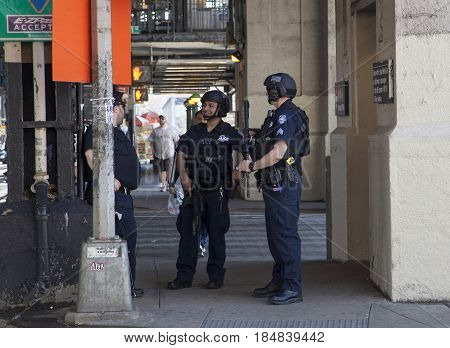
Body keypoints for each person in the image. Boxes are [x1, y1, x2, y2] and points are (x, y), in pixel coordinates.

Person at [238, 73, 310, 305]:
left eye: (270, 88)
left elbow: (279, 152)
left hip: (284, 183)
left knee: (285, 235)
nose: (268, 91)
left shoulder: (287, 115)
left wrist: (251, 166)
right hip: (274, 183)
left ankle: (292, 287)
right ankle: (280, 281)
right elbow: (268, 142)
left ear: (278, 90)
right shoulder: (276, 116)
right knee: (275, 235)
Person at [167, 90, 244, 290]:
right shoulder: (195, 131)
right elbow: (181, 151)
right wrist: (183, 175)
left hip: (217, 190)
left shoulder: (229, 131)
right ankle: (184, 276)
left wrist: (238, 169)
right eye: (205, 105)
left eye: (211, 105)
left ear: (221, 108)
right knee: (187, 232)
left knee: (216, 233)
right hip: (194, 190)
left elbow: (247, 150)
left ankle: (216, 276)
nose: (206, 109)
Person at [83, 88, 144, 298]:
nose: (122, 112)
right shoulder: (98, 130)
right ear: (116, 108)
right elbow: (92, 158)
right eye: (121, 108)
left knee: (128, 241)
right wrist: (109, 180)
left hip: (122, 196)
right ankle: (123, 288)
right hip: (112, 197)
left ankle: (127, 286)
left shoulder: (115, 132)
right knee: (123, 240)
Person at [148, 115, 179, 192]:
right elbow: (151, 141)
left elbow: (177, 141)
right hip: (158, 153)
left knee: (170, 170)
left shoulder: (172, 130)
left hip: (170, 153)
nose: (161, 120)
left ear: (166, 119)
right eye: (160, 119)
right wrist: (153, 151)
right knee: (161, 170)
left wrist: (177, 151)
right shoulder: (155, 131)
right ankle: (163, 185)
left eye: (163, 118)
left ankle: (169, 184)